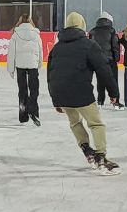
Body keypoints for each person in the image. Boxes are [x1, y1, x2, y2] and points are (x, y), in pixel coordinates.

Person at [47, 11, 120, 174]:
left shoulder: (57, 48)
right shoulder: (89, 45)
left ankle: (87, 150)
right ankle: (101, 157)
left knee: (75, 122)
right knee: (96, 124)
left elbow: (50, 74)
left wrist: (55, 100)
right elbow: (104, 70)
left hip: (61, 93)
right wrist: (113, 93)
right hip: (81, 93)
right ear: (82, 25)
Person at [8, 14, 44, 125]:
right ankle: (33, 111)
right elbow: (40, 50)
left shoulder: (15, 34)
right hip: (32, 64)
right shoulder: (36, 34)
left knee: (22, 90)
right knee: (34, 90)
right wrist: (39, 64)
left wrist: (11, 68)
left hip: (20, 66)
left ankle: (23, 114)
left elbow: (11, 53)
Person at [88, 12, 121, 106]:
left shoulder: (93, 31)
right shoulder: (111, 30)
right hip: (110, 60)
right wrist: (116, 58)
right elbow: (115, 46)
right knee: (113, 80)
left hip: (98, 59)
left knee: (100, 80)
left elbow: (90, 45)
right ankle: (115, 100)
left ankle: (100, 100)